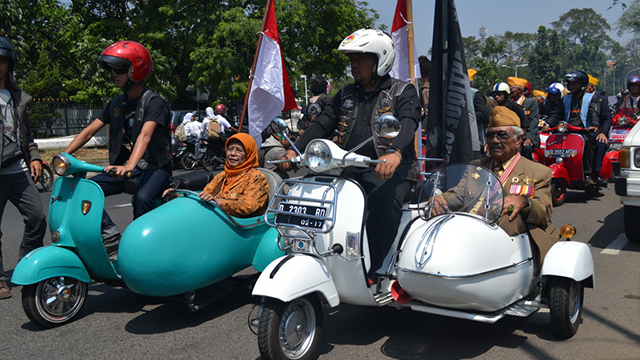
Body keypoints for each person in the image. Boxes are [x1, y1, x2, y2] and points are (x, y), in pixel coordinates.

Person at [278, 29, 421, 284]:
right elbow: (322, 123)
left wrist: (396, 153)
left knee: (384, 204)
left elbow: (409, 122)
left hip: (392, 168)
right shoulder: (345, 94)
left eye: (361, 59)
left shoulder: (402, 91)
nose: (354, 65)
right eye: (352, 59)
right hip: (349, 167)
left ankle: (373, 270)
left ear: (381, 59)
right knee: (312, 195)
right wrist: (295, 149)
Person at [64, 40, 172, 255]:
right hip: (127, 166)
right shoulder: (116, 103)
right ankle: (111, 234)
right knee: (84, 191)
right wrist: (65, 154)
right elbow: (88, 131)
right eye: (112, 70)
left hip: (154, 166)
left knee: (142, 199)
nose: (114, 74)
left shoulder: (154, 102)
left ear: (136, 71)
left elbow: (146, 134)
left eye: (120, 70)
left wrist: (130, 164)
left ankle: (143, 249)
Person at [430, 106, 558, 263]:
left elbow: (544, 212)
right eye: (490, 135)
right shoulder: (475, 166)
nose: (495, 140)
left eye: (502, 135)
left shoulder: (538, 171)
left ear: (518, 139)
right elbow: (458, 195)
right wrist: (440, 198)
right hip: (468, 232)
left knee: (510, 216)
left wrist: (524, 202)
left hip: (510, 243)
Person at [0, 36, 47, 299]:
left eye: (3, 61)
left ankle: (26, 264)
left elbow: (26, 135)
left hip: (18, 169)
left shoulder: (18, 97)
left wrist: (35, 157)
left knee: (37, 218)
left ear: (10, 64)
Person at [164, 133, 269, 218]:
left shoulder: (256, 178)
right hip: (217, 220)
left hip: (240, 227)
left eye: (239, 150)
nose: (232, 153)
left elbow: (249, 206)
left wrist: (218, 202)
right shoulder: (222, 176)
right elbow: (204, 194)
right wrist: (179, 196)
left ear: (249, 154)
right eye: (230, 149)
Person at [546, 70, 601, 181]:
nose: (570, 86)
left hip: (584, 131)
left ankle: (587, 172)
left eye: (573, 83)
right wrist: (547, 124)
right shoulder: (565, 99)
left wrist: (595, 125)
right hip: (567, 130)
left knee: (586, 143)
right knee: (553, 142)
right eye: (569, 83)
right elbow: (557, 114)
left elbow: (593, 113)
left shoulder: (591, 98)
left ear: (582, 85)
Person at [585, 75, 612, 184]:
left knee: (601, 144)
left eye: (585, 86)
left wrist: (603, 133)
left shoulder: (601, 99)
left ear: (591, 87)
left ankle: (597, 173)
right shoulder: (578, 98)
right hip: (581, 130)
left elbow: (607, 118)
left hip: (598, 131)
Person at [508, 77, 540, 159]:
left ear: (519, 90)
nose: (509, 91)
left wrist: (529, 138)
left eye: (511, 89)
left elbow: (534, 121)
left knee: (527, 148)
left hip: (528, 136)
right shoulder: (510, 104)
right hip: (514, 137)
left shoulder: (531, 103)